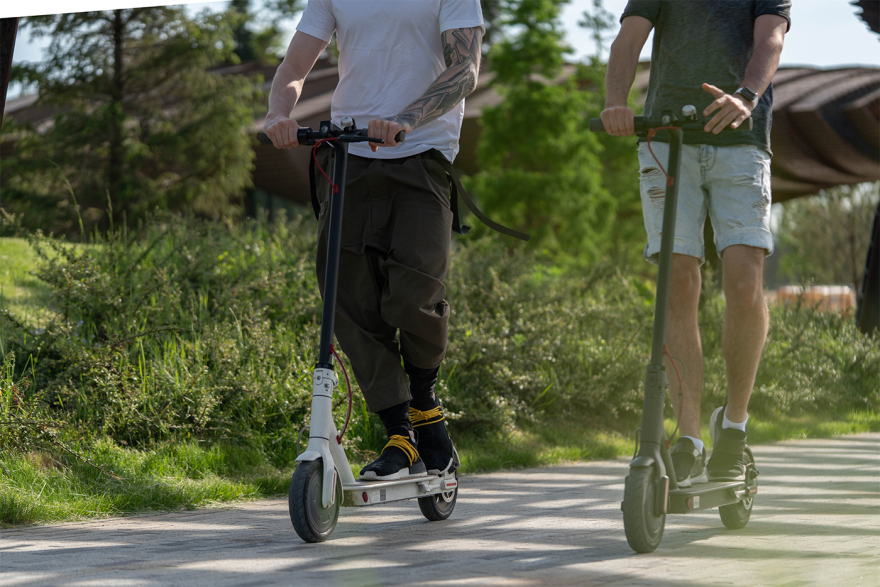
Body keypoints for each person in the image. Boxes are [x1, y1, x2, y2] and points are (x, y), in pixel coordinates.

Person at [262, 0, 485, 481]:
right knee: (345, 296)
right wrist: (279, 112)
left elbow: (465, 68)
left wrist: (406, 117)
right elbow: (296, 64)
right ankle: (398, 431)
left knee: (414, 294)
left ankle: (426, 411)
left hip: (420, 152)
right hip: (349, 154)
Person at [601, 1, 790, 485]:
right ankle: (688, 436)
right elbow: (629, 39)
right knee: (677, 280)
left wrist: (745, 95)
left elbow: (770, 37)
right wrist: (615, 101)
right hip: (665, 136)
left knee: (745, 285)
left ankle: (734, 427)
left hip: (740, 138)